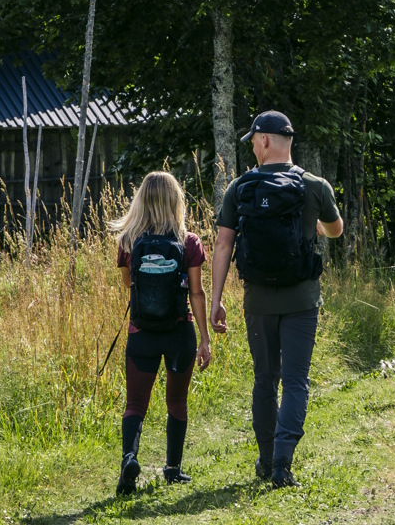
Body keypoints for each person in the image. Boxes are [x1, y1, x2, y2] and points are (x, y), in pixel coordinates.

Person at [207, 110, 343, 489]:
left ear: (265, 140)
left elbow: (223, 244)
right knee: (296, 381)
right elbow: (336, 230)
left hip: (258, 302)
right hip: (301, 299)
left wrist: (216, 300)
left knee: (265, 380)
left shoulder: (240, 187)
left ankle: (265, 461)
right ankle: (283, 465)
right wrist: (317, 224)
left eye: (252, 140)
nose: (252, 146)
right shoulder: (315, 186)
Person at [110, 170, 212, 496]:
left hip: (142, 331)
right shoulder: (189, 242)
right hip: (179, 332)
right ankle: (173, 469)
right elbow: (196, 292)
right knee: (177, 401)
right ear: (175, 201)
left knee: (135, 403)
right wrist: (205, 339)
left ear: (141, 201)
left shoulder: (128, 241)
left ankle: (129, 458)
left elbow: (128, 283)